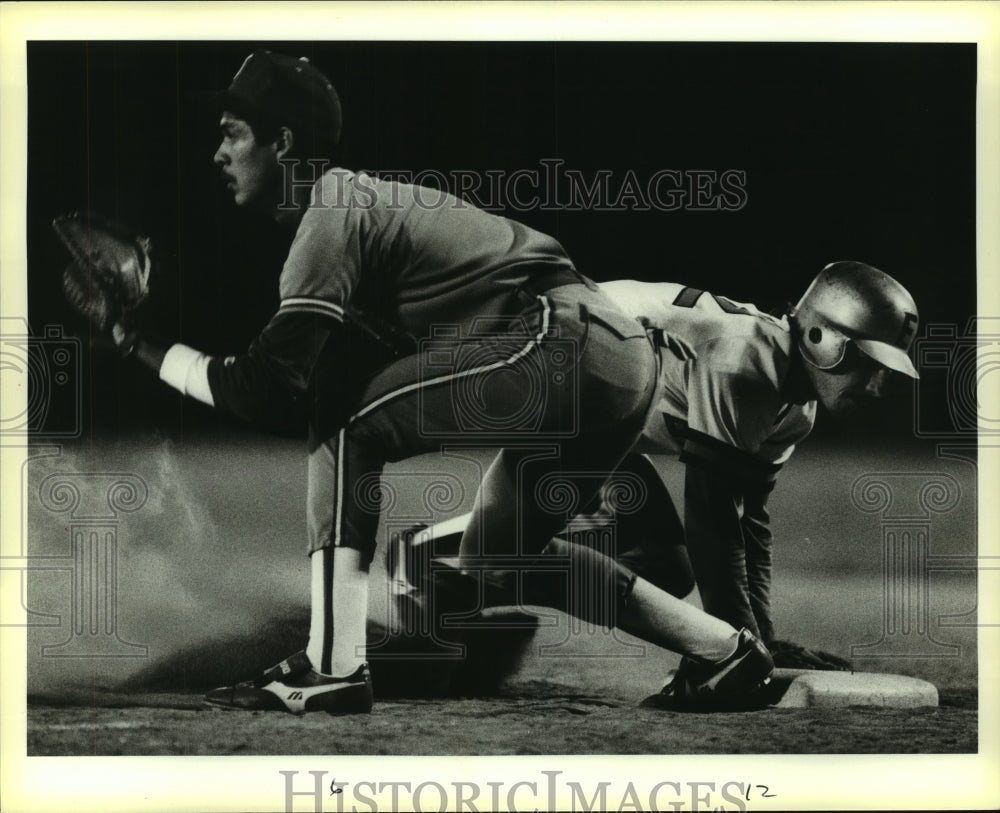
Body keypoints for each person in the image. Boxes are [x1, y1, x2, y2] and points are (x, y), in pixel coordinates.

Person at [114, 50, 777, 714]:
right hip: (613, 359)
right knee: (501, 560)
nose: (218, 153)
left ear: (281, 141)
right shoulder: (364, 209)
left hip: (563, 339)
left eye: (232, 132)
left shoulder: (332, 209)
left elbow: (261, 387)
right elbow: (321, 376)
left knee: (346, 426)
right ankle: (725, 650)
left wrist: (133, 340)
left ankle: (333, 665)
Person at [402, 262, 919, 680]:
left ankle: (448, 562)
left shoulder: (793, 410)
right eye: (865, 362)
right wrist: (739, 644)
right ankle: (453, 561)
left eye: (886, 372)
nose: (876, 387)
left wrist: (762, 636)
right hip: (551, 364)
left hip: (599, 407)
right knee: (517, 553)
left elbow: (747, 525)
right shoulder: (743, 361)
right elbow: (711, 514)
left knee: (665, 566)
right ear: (818, 337)